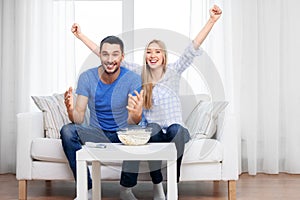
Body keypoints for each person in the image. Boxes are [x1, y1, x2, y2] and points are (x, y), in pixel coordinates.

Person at [71, 5, 222, 199]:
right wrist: (81, 36)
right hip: (154, 130)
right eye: (149, 52)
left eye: (157, 52)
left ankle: (171, 186)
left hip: (176, 131)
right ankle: (155, 186)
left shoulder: (174, 72)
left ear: (164, 56)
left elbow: (192, 48)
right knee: (151, 129)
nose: (152, 55)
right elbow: (107, 56)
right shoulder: (137, 74)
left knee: (175, 129)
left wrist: (211, 20)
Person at [60, 35, 144, 200]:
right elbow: (78, 118)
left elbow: (132, 121)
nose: (110, 59)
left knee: (136, 130)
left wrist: (136, 116)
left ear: (122, 57)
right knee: (67, 131)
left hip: (122, 134)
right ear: (100, 55)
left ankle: (126, 189)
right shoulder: (87, 77)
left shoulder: (132, 79)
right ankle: (87, 189)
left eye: (115, 54)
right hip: (96, 132)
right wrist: (70, 110)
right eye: (105, 54)